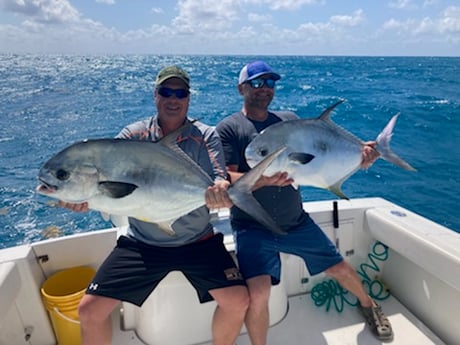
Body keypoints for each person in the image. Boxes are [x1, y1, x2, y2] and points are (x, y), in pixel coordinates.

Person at [60, 65, 249, 345]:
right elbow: (105, 183)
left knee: (238, 300)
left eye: (180, 92)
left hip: (198, 240)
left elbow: (219, 176)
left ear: (188, 98)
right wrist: (82, 199)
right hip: (143, 243)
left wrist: (221, 188)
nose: (173, 99)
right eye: (166, 91)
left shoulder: (205, 135)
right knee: (89, 311)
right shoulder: (132, 135)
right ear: (155, 95)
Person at [216, 60, 394, 344]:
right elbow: (228, 176)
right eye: (257, 83)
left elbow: (321, 157)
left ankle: (369, 306)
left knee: (340, 268)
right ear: (241, 88)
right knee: (258, 293)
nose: (265, 89)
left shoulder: (288, 119)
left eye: (270, 83)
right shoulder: (229, 128)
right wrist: (263, 180)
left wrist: (360, 158)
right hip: (253, 225)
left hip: (294, 220)